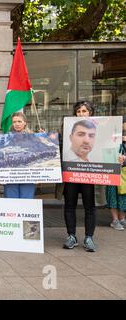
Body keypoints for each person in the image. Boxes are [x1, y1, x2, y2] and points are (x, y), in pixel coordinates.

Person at [62, 101, 97, 252]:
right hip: (71, 173)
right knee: (70, 205)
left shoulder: (101, 129)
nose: (82, 114)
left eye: (85, 111)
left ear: (90, 113)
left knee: (90, 206)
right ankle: (71, 236)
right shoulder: (66, 127)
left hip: (90, 175)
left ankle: (89, 237)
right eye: (79, 111)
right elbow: (58, 146)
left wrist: (120, 160)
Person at [3, 112, 35, 199]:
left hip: (28, 175)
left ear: (25, 123)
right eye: (14, 122)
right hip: (10, 175)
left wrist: (43, 137)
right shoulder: (5, 138)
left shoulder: (33, 137)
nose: (17, 124)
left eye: (19, 121)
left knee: (26, 202)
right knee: (12, 203)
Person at [105, 115, 126, 231]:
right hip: (113, 170)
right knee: (113, 195)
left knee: (124, 195)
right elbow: (106, 150)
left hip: (125, 171)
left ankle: (122, 218)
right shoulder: (112, 136)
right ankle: (115, 220)